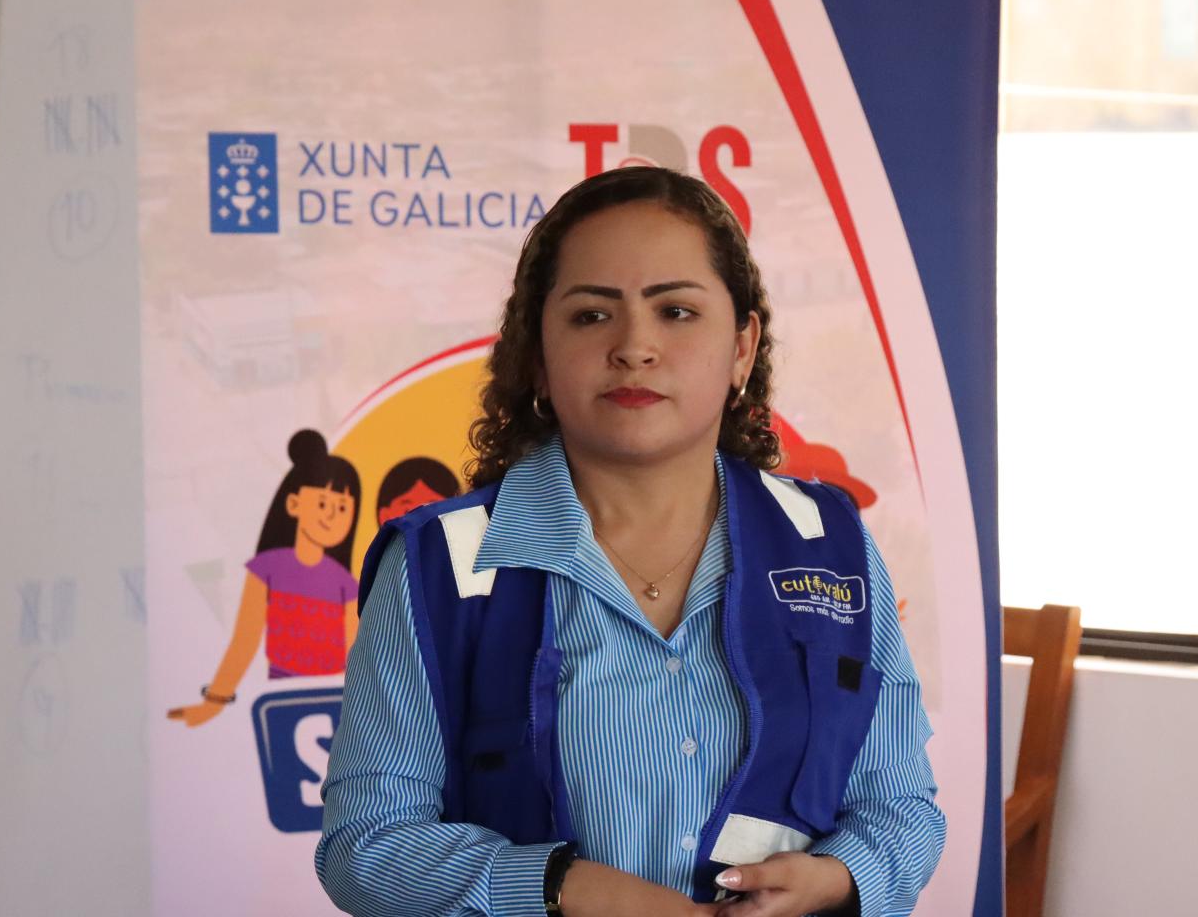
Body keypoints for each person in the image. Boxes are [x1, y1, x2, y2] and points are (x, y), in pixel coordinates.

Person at [315, 167, 944, 916]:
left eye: (676, 311)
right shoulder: (439, 567)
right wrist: (559, 889)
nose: (635, 347)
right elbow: (366, 844)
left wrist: (838, 878)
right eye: (591, 316)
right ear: (537, 356)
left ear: (741, 349)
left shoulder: (829, 546)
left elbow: (901, 808)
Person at [168, 429, 362, 727]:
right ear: (294, 504)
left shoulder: (345, 584)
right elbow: (245, 640)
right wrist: (214, 701)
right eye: (323, 503)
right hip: (281, 698)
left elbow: (355, 655)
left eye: (343, 508)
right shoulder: (267, 569)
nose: (331, 515)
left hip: (337, 702)